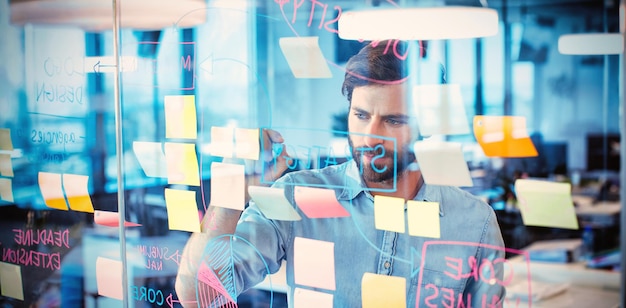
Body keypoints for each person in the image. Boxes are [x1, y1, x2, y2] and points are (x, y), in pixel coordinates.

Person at [176, 40, 506, 307]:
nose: (371, 137)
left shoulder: (473, 222)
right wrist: (233, 190)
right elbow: (197, 294)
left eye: (394, 120)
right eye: (361, 115)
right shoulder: (297, 198)